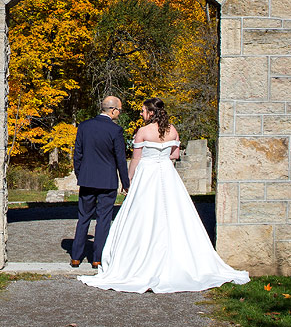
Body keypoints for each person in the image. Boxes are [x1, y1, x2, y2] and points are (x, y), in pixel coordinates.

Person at [80, 96, 250, 292]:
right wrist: (162, 158)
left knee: (142, 215)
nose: (141, 114)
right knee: (176, 215)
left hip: (147, 175)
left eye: (143, 111)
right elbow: (175, 155)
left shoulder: (143, 132)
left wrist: (128, 181)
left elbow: (135, 159)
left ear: (151, 113)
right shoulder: (173, 130)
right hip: (167, 174)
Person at [69, 96, 131, 268]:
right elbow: (120, 159)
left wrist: (80, 174)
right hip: (107, 181)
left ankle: (75, 256)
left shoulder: (84, 126)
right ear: (112, 110)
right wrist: (125, 183)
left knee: (83, 217)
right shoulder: (115, 130)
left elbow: (78, 154)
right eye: (119, 110)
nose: (119, 113)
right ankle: (97, 258)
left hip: (87, 179)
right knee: (103, 219)